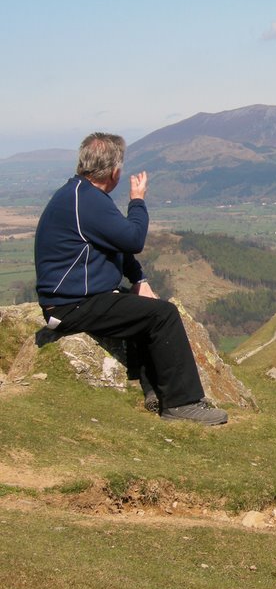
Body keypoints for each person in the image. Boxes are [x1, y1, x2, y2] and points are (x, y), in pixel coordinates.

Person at [34, 132, 227, 425]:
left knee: (142, 310)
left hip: (74, 301)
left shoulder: (81, 195)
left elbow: (117, 247)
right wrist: (137, 201)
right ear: (114, 172)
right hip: (71, 306)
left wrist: (139, 279)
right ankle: (182, 404)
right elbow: (133, 239)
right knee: (164, 315)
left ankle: (153, 390)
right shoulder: (87, 201)